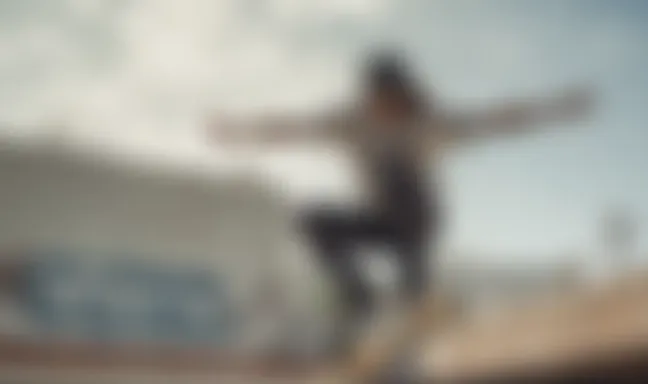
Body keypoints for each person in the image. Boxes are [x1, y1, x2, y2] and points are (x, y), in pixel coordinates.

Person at [208, 53, 595, 353]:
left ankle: (415, 286)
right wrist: (238, 132)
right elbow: (292, 129)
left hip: (417, 221)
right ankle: (357, 295)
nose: (391, 111)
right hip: (378, 222)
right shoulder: (351, 122)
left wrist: (559, 108)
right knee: (310, 219)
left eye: (398, 103)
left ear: (408, 96)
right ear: (371, 97)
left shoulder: (428, 123)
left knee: (399, 178)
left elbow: (497, 121)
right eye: (383, 103)